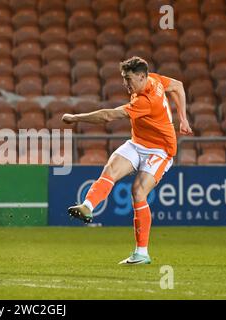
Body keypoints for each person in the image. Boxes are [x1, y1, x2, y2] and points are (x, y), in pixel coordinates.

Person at [62, 56, 192, 265]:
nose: (125, 84)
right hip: (138, 142)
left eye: (129, 79)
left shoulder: (146, 100)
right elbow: (178, 86)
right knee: (111, 168)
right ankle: (87, 206)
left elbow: (107, 116)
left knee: (138, 191)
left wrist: (76, 118)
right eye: (124, 78)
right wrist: (183, 118)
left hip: (160, 150)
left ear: (142, 77)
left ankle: (141, 253)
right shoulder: (154, 79)